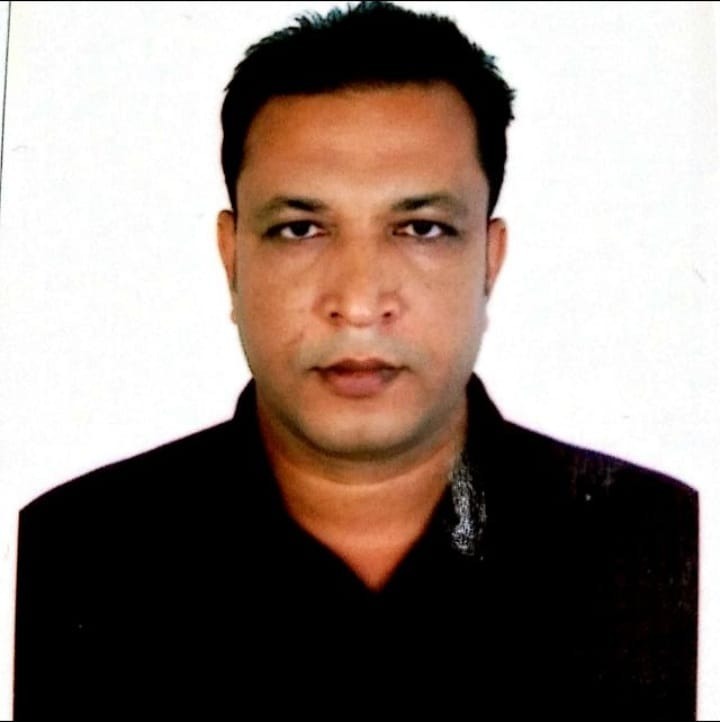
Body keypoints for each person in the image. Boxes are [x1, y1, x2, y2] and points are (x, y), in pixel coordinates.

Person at [14, 1, 698, 718]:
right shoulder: (68, 556)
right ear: (232, 259)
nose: (361, 302)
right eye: (301, 229)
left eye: (422, 228)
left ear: (489, 262)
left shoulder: (662, 547)